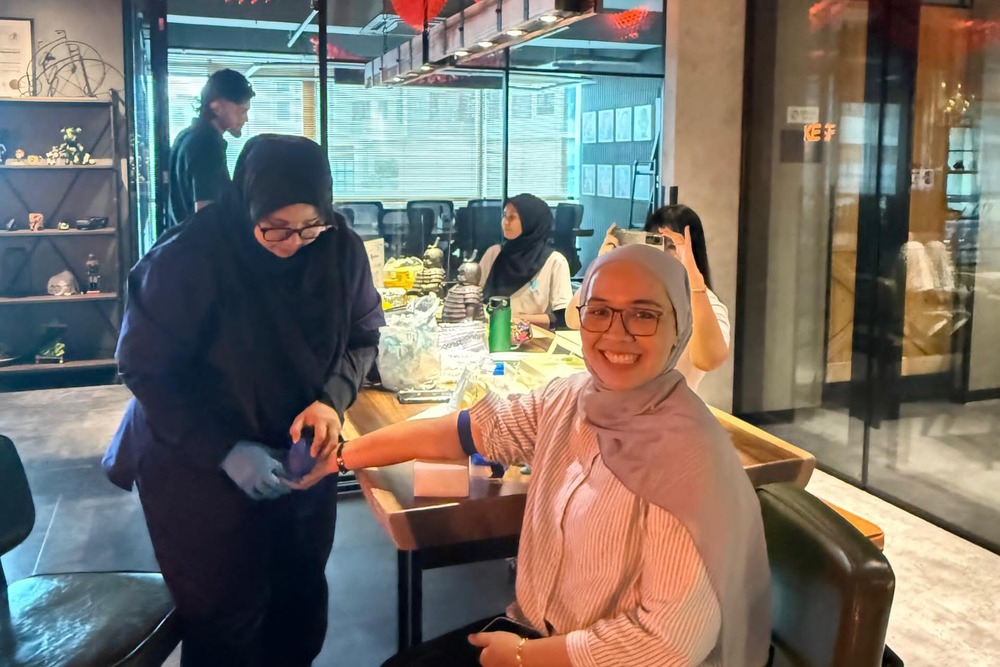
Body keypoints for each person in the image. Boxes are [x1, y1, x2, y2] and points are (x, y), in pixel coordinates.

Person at [293, 245, 771, 667]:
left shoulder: (690, 461)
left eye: (643, 315)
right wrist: (342, 456)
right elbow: (466, 431)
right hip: (536, 632)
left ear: (679, 327)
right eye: (599, 311)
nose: (616, 332)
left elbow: (669, 645)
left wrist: (525, 657)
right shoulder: (570, 399)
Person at [103, 135, 384, 666]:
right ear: (248, 204)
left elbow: (362, 337)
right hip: (194, 460)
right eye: (275, 227)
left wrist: (331, 401)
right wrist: (224, 449)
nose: (293, 242)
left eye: (309, 226)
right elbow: (145, 368)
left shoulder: (339, 248)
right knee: (225, 618)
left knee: (298, 603)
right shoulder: (188, 257)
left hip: (299, 451)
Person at [567, 205, 730, 392]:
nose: (661, 254)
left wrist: (691, 274)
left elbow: (707, 360)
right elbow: (573, 319)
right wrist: (601, 265)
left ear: (693, 250)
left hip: (669, 406)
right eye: (655, 242)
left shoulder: (705, 302)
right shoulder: (635, 292)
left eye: (672, 246)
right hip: (617, 402)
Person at [167, 68, 255, 228]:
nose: (246, 118)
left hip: (182, 238)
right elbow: (207, 213)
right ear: (217, 105)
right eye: (241, 110)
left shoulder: (186, 135)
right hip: (201, 241)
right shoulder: (206, 144)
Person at [480, 193, 573, 330]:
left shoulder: (554, 261)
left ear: (531, 221)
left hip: (534, 336)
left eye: (512, 217)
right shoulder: (494, 253)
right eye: (504, 216)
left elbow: (563, 317)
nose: (505, 222)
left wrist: (513, 320)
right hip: (491, 331)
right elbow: (475, 298)